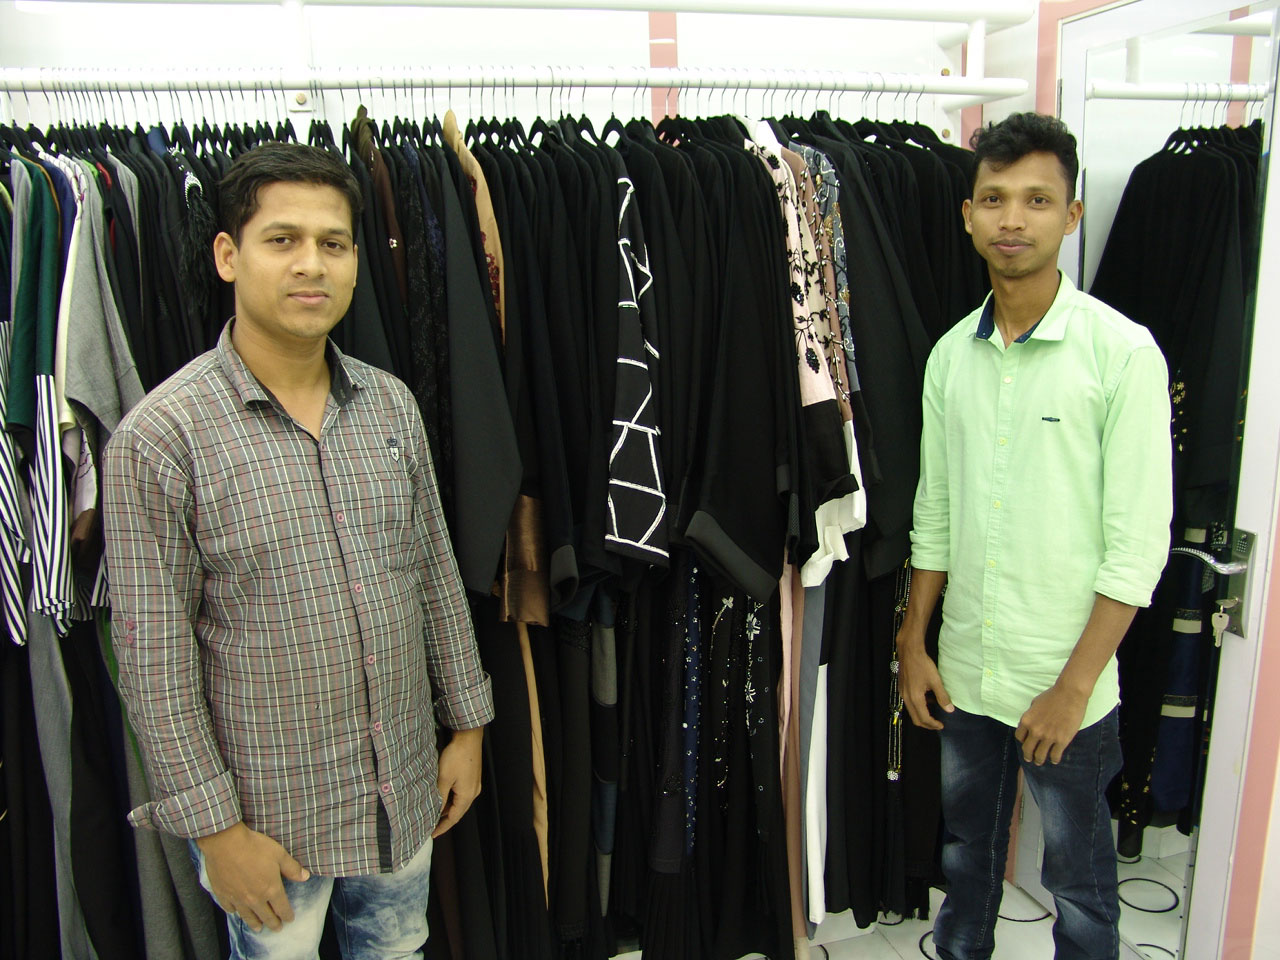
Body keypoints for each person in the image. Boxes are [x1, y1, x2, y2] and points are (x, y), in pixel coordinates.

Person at [103, 142, 494, 960]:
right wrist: (215, 832)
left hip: (402, 789)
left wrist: (467, 727)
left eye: (333, 243)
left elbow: (432, 573)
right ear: (228, 255)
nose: (311, 263)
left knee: (398, 950)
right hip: (270, 823)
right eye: (282, 239)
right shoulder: (162, 437)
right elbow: (153, 656)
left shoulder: (390, 408)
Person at [897, 112, 1172, 960]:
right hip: (967, 671)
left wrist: (1072, 689)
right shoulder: (951, 356)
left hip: (1066, 683)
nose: (1012, 219)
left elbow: (1137, 547)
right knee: (964, 858)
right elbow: (935, 513)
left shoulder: (1121, 353)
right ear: (968, 215)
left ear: (1072, 214)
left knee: (1079, 885)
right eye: (994, 199)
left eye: (1037, 200)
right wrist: (913, 641)